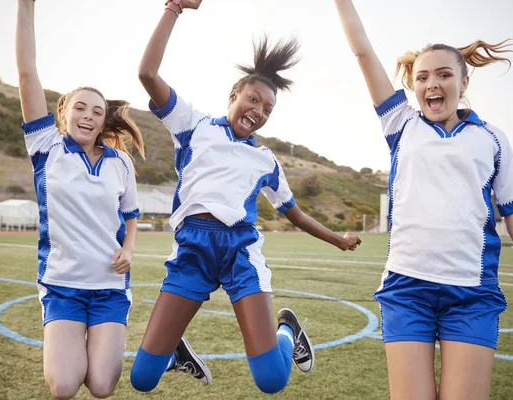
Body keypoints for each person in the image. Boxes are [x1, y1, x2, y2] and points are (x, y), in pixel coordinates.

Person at [129, 0, 363, 395]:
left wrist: (338, 239)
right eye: (253, 99)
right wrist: (174, 8)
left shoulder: (266, 160)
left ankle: (288, 331)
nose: (258, 110)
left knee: (272, 381)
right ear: (234, 93)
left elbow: (296, 215)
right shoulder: (194, 125)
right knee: (142, 379)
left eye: (268, 108)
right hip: (192, 251)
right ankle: (174, 350)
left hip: (240, 252)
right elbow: (147, 72)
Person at [333, 1, 513, 399]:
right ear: (413, 86)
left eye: (443, 74)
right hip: (406, 289)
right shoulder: (400, 124)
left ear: (463, 82)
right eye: (422, 77)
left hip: (472, 294)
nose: (432, 84)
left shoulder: (492, 139)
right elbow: (362, 48)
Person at [15, 1, 206, 398]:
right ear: (64, 112)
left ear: (104, 121)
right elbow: (26, 71)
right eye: (80, 107)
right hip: (62, 286)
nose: (88, 116)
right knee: (65, 386)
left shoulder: (120, 162)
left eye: (97, 112)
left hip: (109, 287)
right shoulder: (45, 147)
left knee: (102, 386)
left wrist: (129, 248)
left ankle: (164, 352)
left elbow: (130, 215)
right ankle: (70, 346)